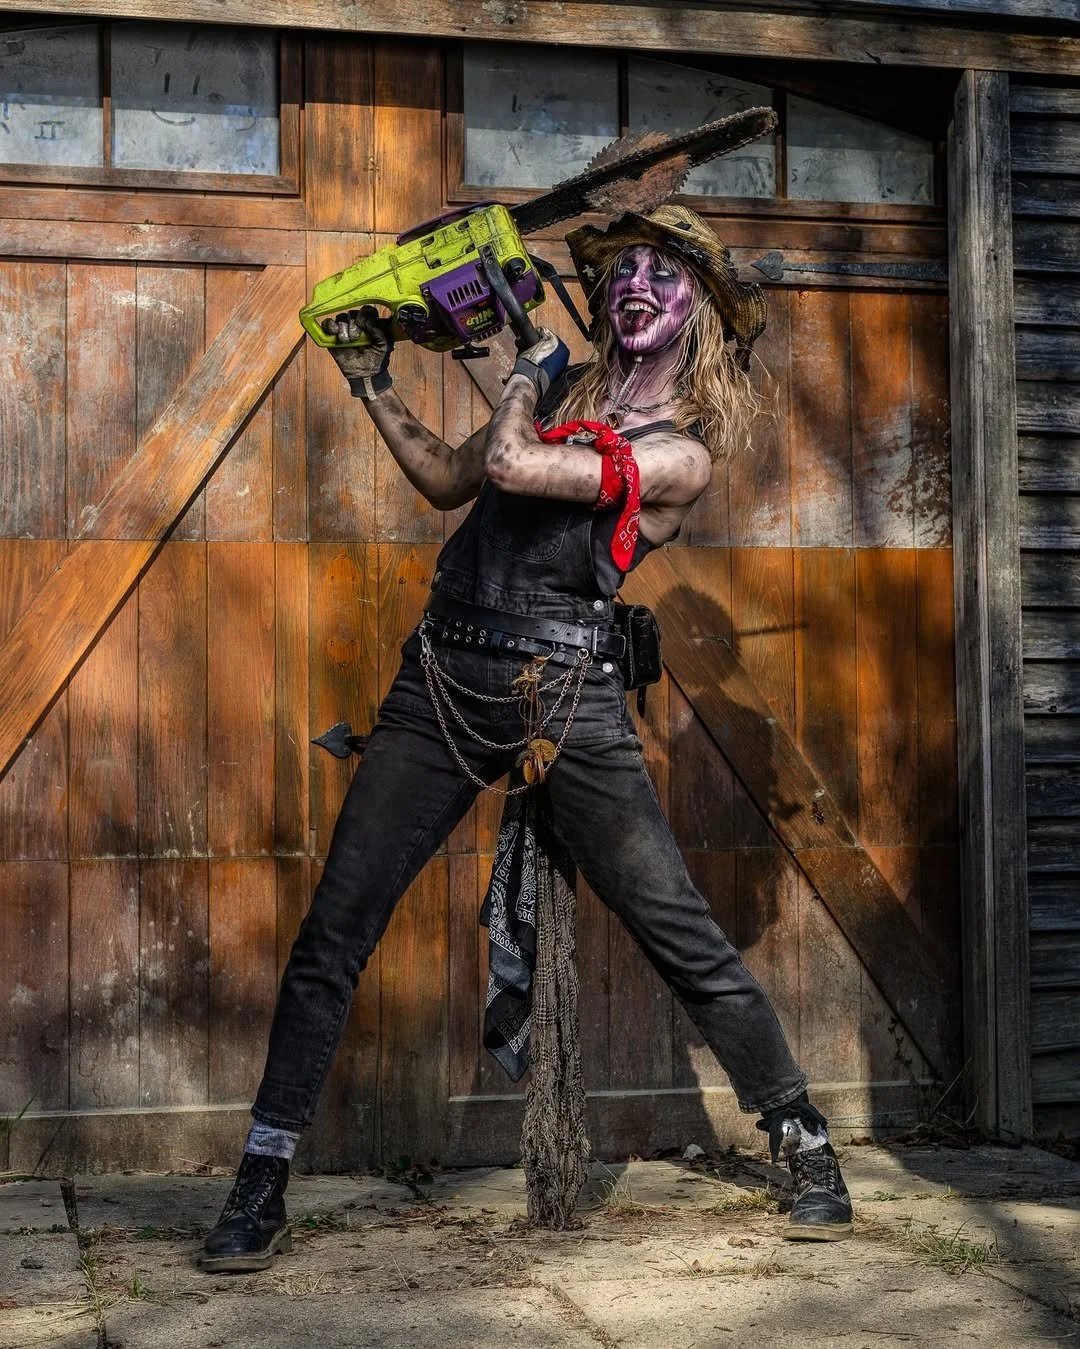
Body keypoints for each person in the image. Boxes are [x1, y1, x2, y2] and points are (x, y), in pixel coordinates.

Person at [199, 205, 853, 1273]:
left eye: (663, 271)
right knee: (334, 931)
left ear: (701, 315)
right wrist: (372, 378)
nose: (636, 282)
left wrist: (517, 367)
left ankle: (803, 1137)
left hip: (570, 697)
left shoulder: (678, 454)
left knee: (678, 930)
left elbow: (509, 464)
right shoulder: (559, 393)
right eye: (625, 268)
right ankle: (261, 1180)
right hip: (442, 677)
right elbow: (450, 477)